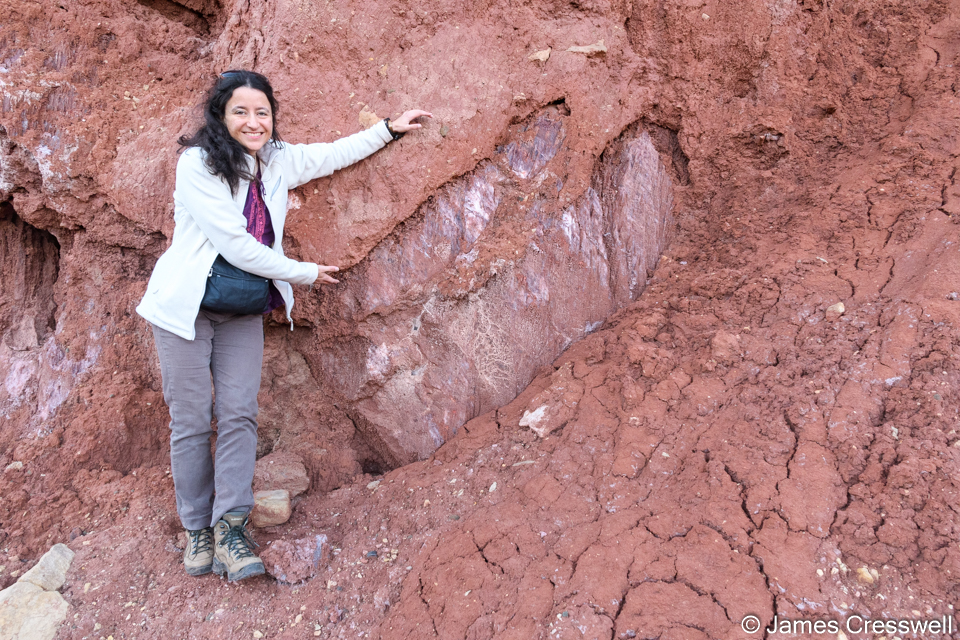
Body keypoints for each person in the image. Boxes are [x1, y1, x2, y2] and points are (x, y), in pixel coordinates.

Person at [136, 69, 431, 581]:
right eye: (241, 111)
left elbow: (330, 154)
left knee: (238, 415)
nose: (253, 121)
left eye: (262, 112)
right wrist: (304, 274)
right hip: (183, 309)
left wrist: (388, 128)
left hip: (241, 309)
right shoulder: (198, 165)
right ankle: (196, 530)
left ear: (272, 118)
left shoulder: (277, 161)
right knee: (189, 420)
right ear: (221, 116)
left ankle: (230, 526)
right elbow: (236, 245)